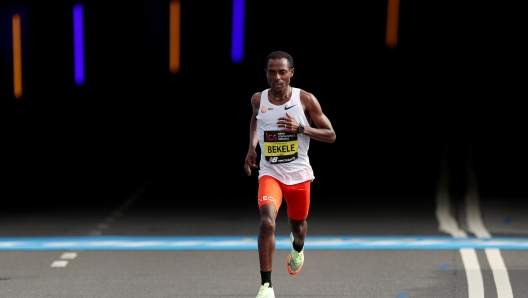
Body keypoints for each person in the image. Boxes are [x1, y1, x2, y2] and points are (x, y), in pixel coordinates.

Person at [244, 51, 336, 298]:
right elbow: (255, 121)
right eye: (272, 72)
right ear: (266, 73)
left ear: (291, 73)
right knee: (266, 222)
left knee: (298, 226)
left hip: (299, 175)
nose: (277, 77)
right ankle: (266, 286)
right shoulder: (257, 99)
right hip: (270, 172)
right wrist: (252, 148)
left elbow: (331, 134)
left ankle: (298, 247)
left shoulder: (304, 99)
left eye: (282, 72)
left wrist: (301, 128)